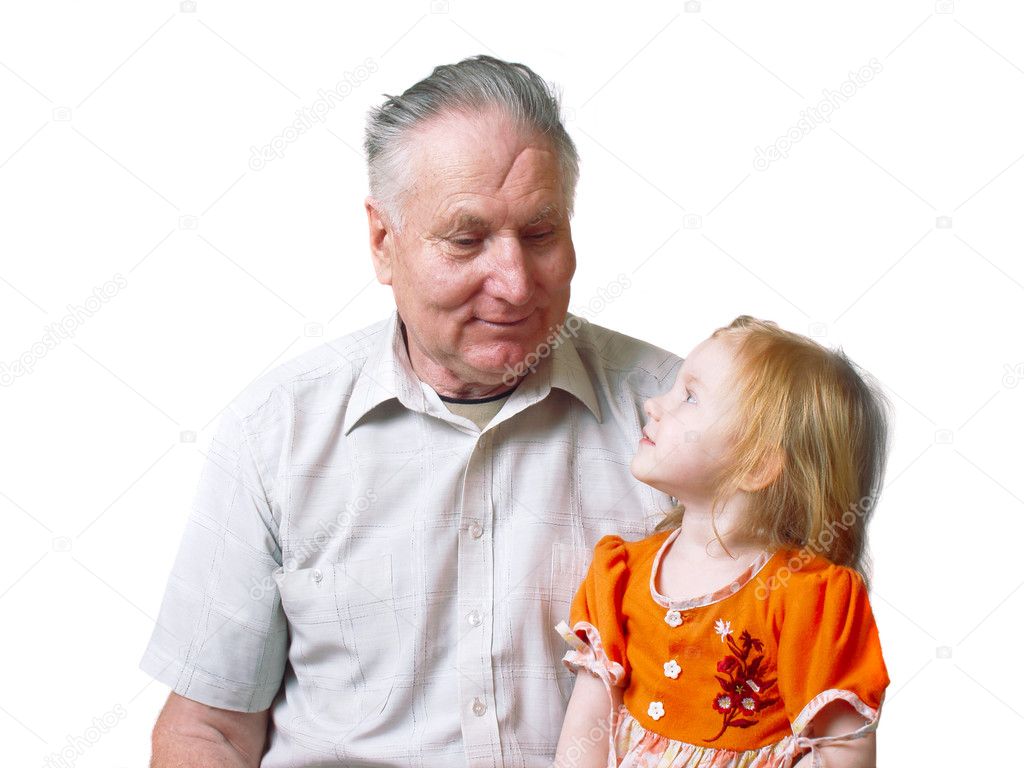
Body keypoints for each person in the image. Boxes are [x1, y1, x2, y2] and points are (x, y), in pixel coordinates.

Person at [141, 55, 683, 767]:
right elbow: (207, 730)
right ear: (382, 242)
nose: (515, 284)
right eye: (466, 239)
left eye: (540, 234)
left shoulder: (683, 418)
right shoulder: (276, 430)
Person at [553, 316, 891, 768]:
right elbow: (583, 739)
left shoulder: (808, 597)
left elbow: (841, 751)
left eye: (689, 396)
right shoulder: (619, 576)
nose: (653, 404)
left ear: (756, 466)